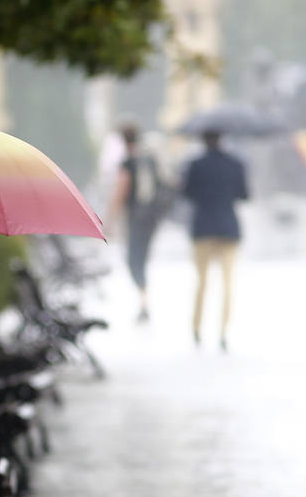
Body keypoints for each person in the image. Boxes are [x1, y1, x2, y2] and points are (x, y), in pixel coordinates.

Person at [181, 130, 249, 351]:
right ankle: (223, 331)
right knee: (227, 283)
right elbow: (245, 195)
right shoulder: (236, 164)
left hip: (202, 229)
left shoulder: (195, 165)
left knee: (201, 283)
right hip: (228, 229)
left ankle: (197, 328)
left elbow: (187, 194)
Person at [106, 122, 167, 323]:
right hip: (150, 219)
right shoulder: (148, 159)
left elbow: (120, 192)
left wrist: (110, 221)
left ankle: (143, 302)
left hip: (135, 218)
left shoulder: (128, 162)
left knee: (134, 260)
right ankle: (143, 301)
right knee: (140, 258)